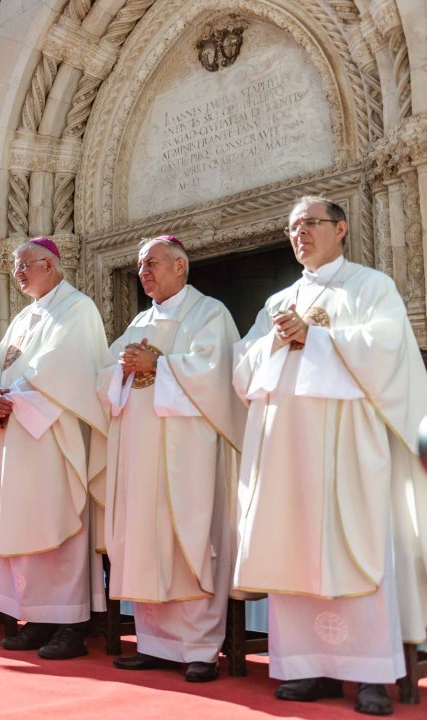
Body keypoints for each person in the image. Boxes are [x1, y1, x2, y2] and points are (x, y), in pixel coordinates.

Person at [233, 197, 427, 715]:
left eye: (310, 224)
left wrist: (316, 337)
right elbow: (242, 366)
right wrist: (276, 342)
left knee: (354, 548)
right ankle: (307, 668)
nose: (299, 234)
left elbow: (386, 348)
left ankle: (367, 674)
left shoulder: (370, 287)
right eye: (292, 227)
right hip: (287, 450)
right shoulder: (278, 300)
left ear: (340, 229)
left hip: (348, 447)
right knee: (294, 545)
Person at [100, 235, 245, 681]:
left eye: (152, 264)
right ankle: (155, 644)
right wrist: (122, 371)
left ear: (181, 266)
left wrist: (158, 364)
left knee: (190, 542)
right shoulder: (139, 321)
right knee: (144, 540)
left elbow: (217, 374)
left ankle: (200, 649)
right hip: (140, 451)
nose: (144, 272)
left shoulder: (210, 312)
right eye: (141, 266)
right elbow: (105, 376)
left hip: (189, 452)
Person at [0, 238, 109, 658]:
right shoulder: (21, 319)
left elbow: (66, 366)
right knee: (23, 523)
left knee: (57, 523)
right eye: (15, 267)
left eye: (25, 266)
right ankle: (36, 617)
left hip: (52, 439)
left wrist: (10, 397)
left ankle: (70, 624)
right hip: (14, 437)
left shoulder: (78, 308)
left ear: (50, 265)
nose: (18, 273)